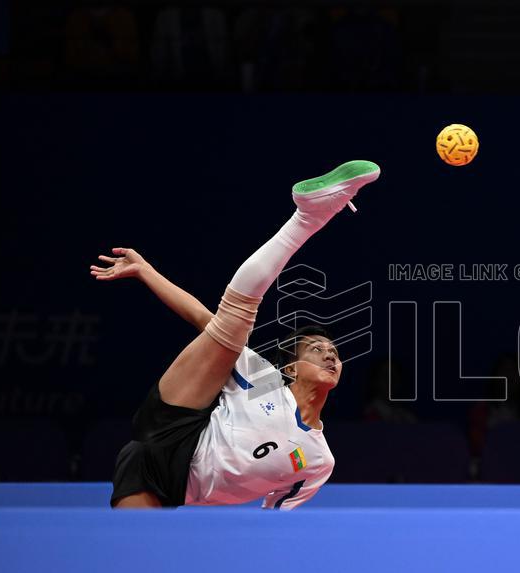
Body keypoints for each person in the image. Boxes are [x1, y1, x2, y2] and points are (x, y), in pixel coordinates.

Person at [90, 160, 380, 508]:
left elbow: (275, 517)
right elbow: (203, 318)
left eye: (333, 352)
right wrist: (146, 271)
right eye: (316, 349)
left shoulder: (319, 461)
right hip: (170, 430)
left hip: (180, 494)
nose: (330, 355)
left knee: (137, 544)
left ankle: (311, 215)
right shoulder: (265, 381)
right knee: (233, 322)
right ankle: (308, 216)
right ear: (290, 369)